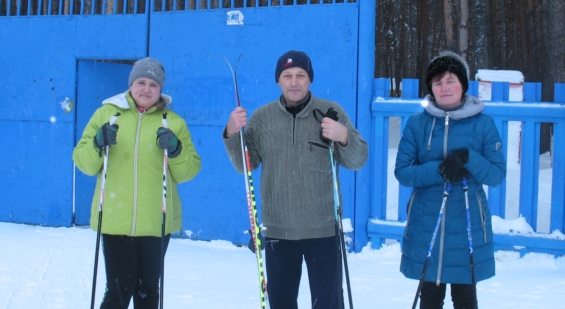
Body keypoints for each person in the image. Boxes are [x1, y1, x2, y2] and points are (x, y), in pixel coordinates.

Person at [223, 50, 369, 309]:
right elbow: (245, 166)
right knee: (282, 303)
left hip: (324, 229)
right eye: (287, 75)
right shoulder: (261, 118)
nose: (294, 81)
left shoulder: (331, 111)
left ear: (309, 79)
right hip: (279, 230)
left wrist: (343, 135)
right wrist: (233, 133)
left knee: (328, 304)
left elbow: (357, 160)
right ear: (278, 80)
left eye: (300, 75)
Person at [73, 57, 201, 309]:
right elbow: (83, 163)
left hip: (157, 222)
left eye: (153, 84)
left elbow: (189, 171)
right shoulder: (106, 114)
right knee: (118, 294)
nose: (146, 89)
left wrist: (175, 150)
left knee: (148, 293)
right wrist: (97, 144)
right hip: (115, 219)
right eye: (141, 82)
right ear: (131, 84)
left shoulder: (172, 122)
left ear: (161, 89)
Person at [395, 51, 506, 309]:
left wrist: (469, 159)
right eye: (437, 83)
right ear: (431, 88)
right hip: (427, 224)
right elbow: (403, 172)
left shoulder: (483, 124)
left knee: (465, 299)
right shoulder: (417, 124)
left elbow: (497, 175)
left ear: (463, 85)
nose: (444, 88)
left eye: (450, 81)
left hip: (467, 226)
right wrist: (440, 170)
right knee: (431, 299)